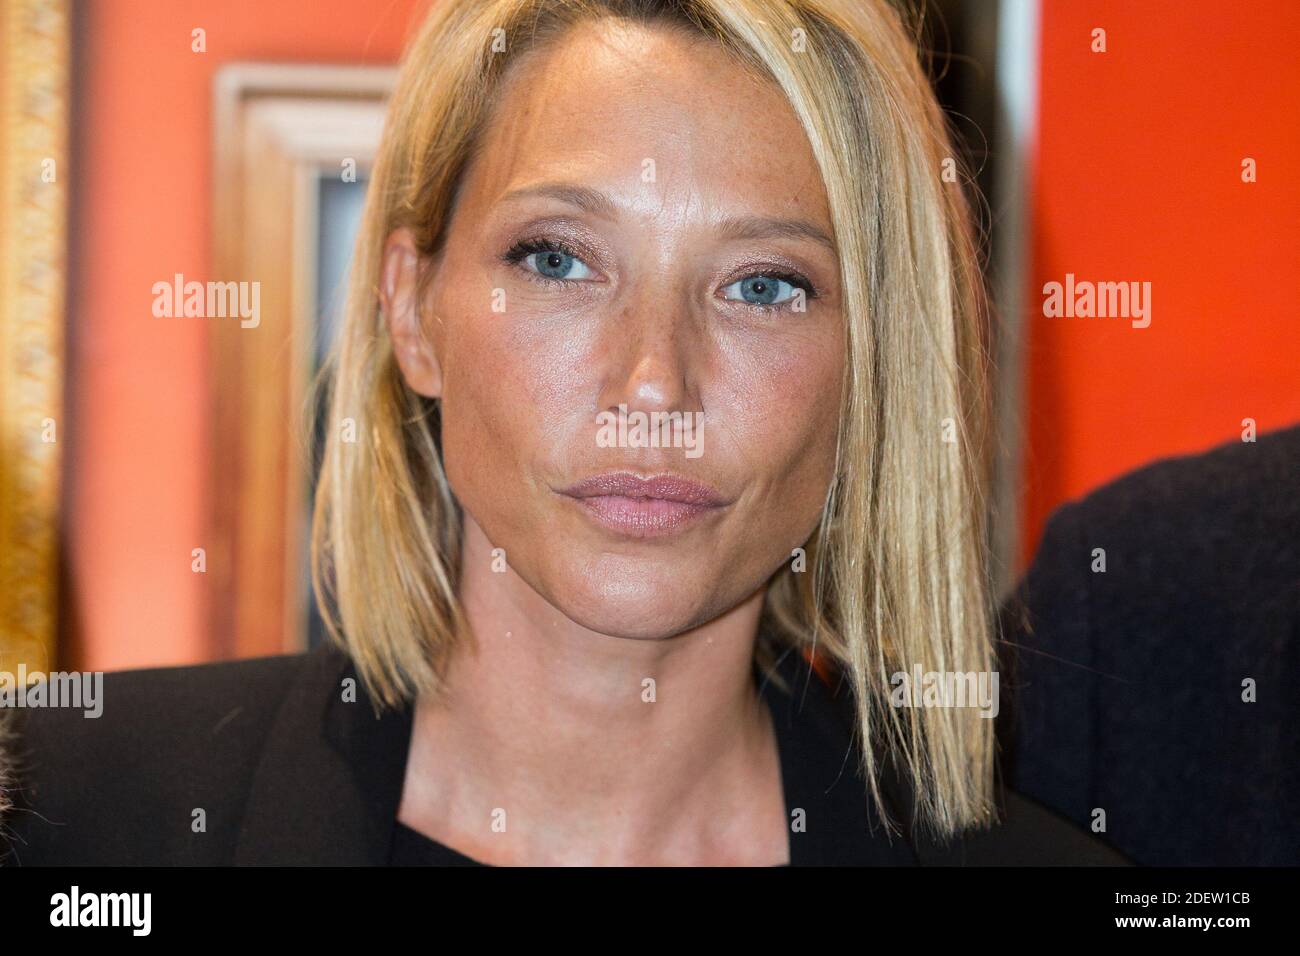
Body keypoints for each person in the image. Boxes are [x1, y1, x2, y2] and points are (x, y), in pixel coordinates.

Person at [1, 0, 1123, 866]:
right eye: (559, 259)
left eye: (765, 285)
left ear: (874, 364)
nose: (653, 382)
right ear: (412, 306)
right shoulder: (61, 810)